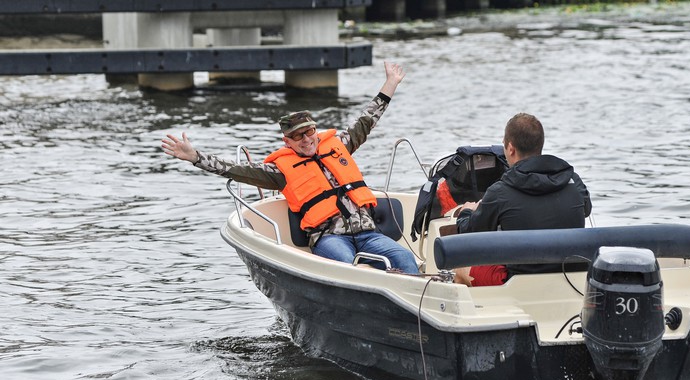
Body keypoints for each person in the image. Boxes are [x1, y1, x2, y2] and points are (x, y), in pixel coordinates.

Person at [161, 61, 419, 274]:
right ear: (287, 141)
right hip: (330, 238)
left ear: (316, 131)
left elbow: (367, 119)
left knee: (405, 260)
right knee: (347, 266)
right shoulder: (281, 171)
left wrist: (390, 84)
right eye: (298, 136)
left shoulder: (340, 144)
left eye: (309, 132)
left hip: (367, 234)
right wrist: (196, 157)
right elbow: (235, 170)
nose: (306, 139)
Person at [454, 113, 592, 286]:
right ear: (540, 145)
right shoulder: (573, 180)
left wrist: (467, 212)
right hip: (570, 280)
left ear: (510, 148)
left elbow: (468, 237)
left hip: (518, 284)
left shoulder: (500, 191)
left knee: (460, 268)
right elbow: (586, 209)